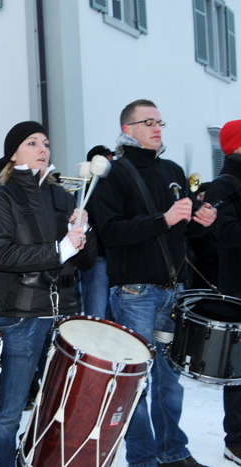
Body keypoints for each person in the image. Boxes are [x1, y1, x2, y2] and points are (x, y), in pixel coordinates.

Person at [94, 99, 216, 467]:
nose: (157, 128)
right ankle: (143, 457)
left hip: (173, 292)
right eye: (148, 122)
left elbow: (184, 228)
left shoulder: (172, 169)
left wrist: (201, 220)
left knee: (170, 381)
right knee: (136, 382)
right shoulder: (112, 174)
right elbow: (110, 232)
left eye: (160, 121)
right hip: (135, 293)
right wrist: (164, 219)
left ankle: (172, 451)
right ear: (127, 130)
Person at [0, 121, 96, 467]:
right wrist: (61, 249)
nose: (43, 148)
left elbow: (87, 261)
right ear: (13, 154)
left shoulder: (62, 196)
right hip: (21, 316)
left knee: (58, 407)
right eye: (32, 143)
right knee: (9, 411)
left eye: (45, 142)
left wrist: (84, 230)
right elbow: (4, 256)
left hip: (65, 315)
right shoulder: (0, 198)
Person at [204, 119, 241, 465]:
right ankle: (237, 441)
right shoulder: (223, 185)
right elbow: (227, 234)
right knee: (240, 372)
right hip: (237, 290)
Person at [79, 144, 115, 319]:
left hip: (112, 257)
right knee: (96, 314)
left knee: (111, 313)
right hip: (97, 258)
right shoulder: (86, 188)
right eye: (106, 160)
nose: (110, 165)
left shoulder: (112, 186)